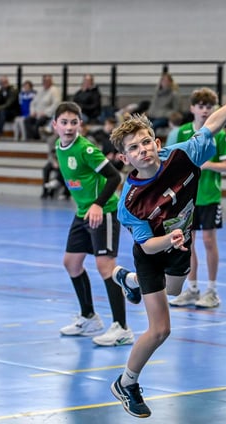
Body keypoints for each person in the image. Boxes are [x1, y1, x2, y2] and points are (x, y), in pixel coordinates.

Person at [107, 67, 226, 418]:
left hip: (180, 246)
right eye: (133, 148)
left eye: (146, 142)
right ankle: (126, 383)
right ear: (125, 158)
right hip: (153, 251)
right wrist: (168, 238)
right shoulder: (130, 202)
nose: (142, 150)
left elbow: (214, 123)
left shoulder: (183, 156)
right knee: (161, 329)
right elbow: (147, 246)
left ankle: (129, 281)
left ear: (157, 143)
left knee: (175, 290)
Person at [51, 101, 135, 346]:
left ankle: (122, 327)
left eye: (73, 122)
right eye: (64, 123)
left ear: (80, 124)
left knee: (105, 266)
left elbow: (114, 176)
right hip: (83, 212)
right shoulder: (59, 147)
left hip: (104, 210)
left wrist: (98, 204)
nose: (69, 127)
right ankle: (89, 317)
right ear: (55, 125)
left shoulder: (86, 149)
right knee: (71, 263)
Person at [168, 87, 226, 309]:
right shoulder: (183, 132)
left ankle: (212, 291)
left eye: (209, 107)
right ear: (192, 108)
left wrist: (207, 164)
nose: (205, 110)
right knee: (188, 243)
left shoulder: (219, 134)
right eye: (201, 106)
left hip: (209, 196)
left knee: (208, 241)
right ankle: (192, 289)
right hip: (188, 197)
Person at [25, 74, 61, 140]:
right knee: (27, 120)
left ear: (51, 81)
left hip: (47, 115)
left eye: (47, 81)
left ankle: (36, 139)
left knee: (38, 122)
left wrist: (45, 112)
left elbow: (56, 104)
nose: (45, 82)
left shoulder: (54, 90)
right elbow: (32, 103)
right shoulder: (41, 91)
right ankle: (29, 139)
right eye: (44, 81)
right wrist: (33, 112)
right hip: (37, 114)